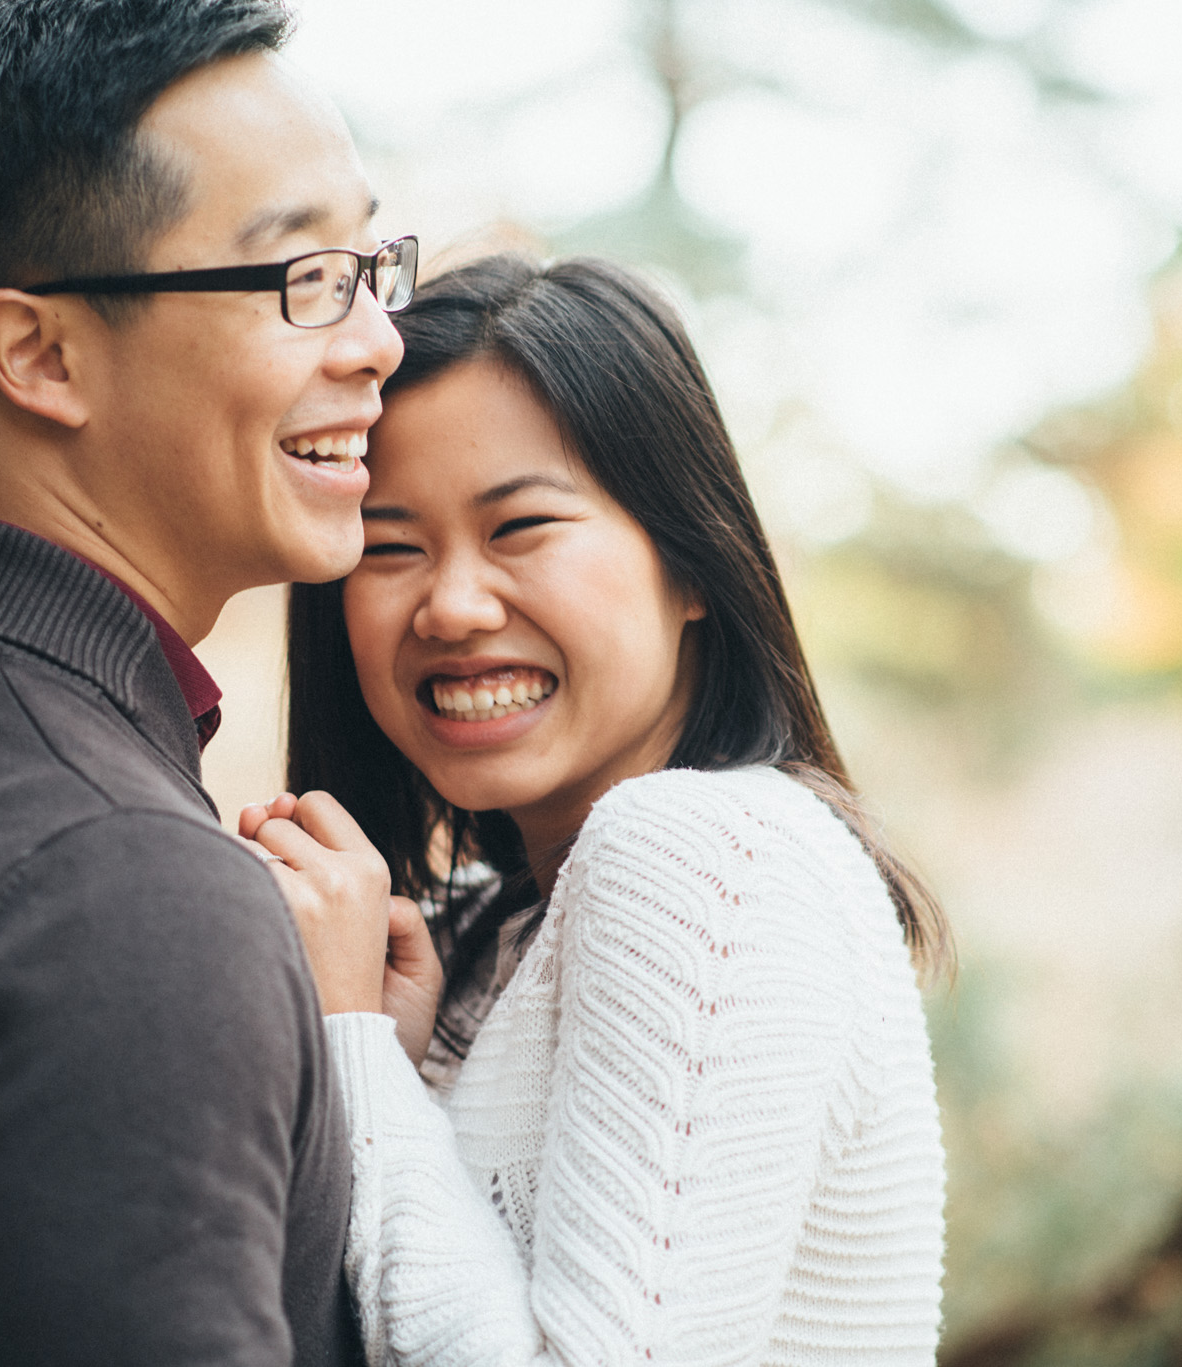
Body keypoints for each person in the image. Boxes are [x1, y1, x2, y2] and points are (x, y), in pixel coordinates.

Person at [0, 1, 413, 1362]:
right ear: (40, 354)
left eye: (370, 263)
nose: (377, 341)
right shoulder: (119, 885)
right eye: (300, 276)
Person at [241, 255, 951, 1365]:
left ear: (691, 563)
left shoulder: (702, 851)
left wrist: (352, 1047)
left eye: (519, 527)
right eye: (388, 547)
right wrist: (407, 1057)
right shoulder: (492, 927)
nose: (454, 604)